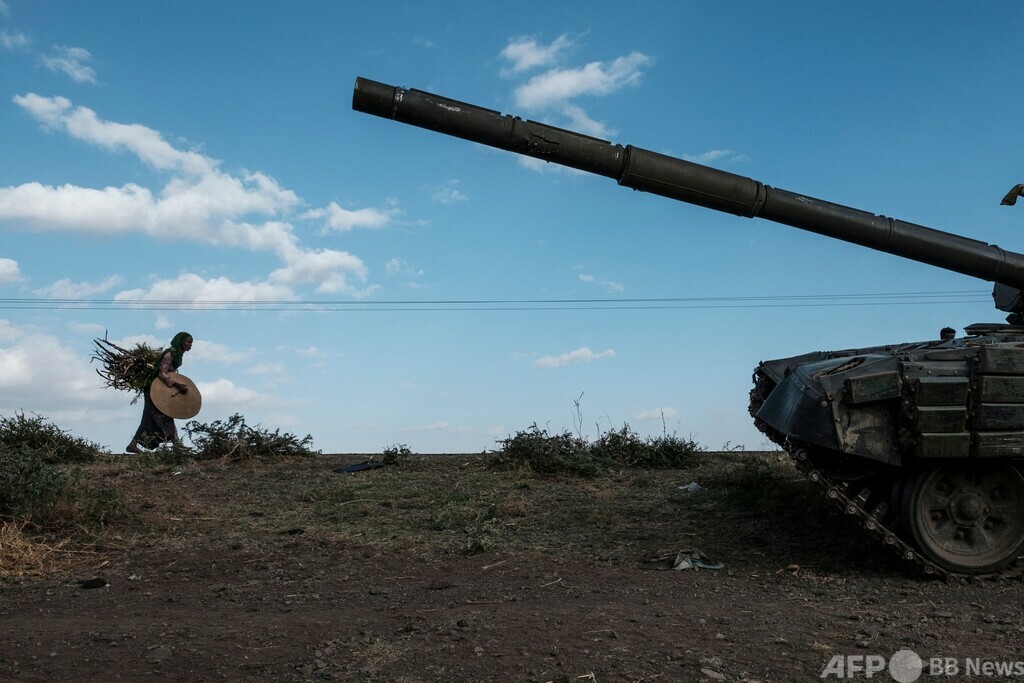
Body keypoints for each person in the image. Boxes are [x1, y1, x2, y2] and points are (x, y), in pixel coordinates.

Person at [126, 331, 193, 453]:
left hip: (162, 389)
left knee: (166, 415)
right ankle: (175, 444)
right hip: (154, 389)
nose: (190, 345)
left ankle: (176, 444)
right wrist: (177, 385)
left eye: (191, 343)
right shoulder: (169, 354)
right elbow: (161, 373)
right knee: (153, 417)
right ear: (181, 342)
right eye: (188, 342)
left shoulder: (177, 355)